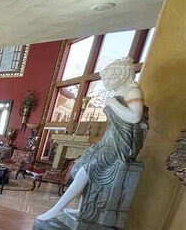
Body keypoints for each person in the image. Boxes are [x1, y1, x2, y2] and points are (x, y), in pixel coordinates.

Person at [38, 57, 148, 221]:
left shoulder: (133, 91)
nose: (107, 83)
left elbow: (135, 117)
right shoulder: (119, 92)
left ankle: (57, 209)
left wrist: (112, 103)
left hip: (122, 143)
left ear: (123, 75)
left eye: (110, 78)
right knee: (79, 167)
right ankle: (85, 209)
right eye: (105, 79)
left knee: (85, 171)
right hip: (109, 139)